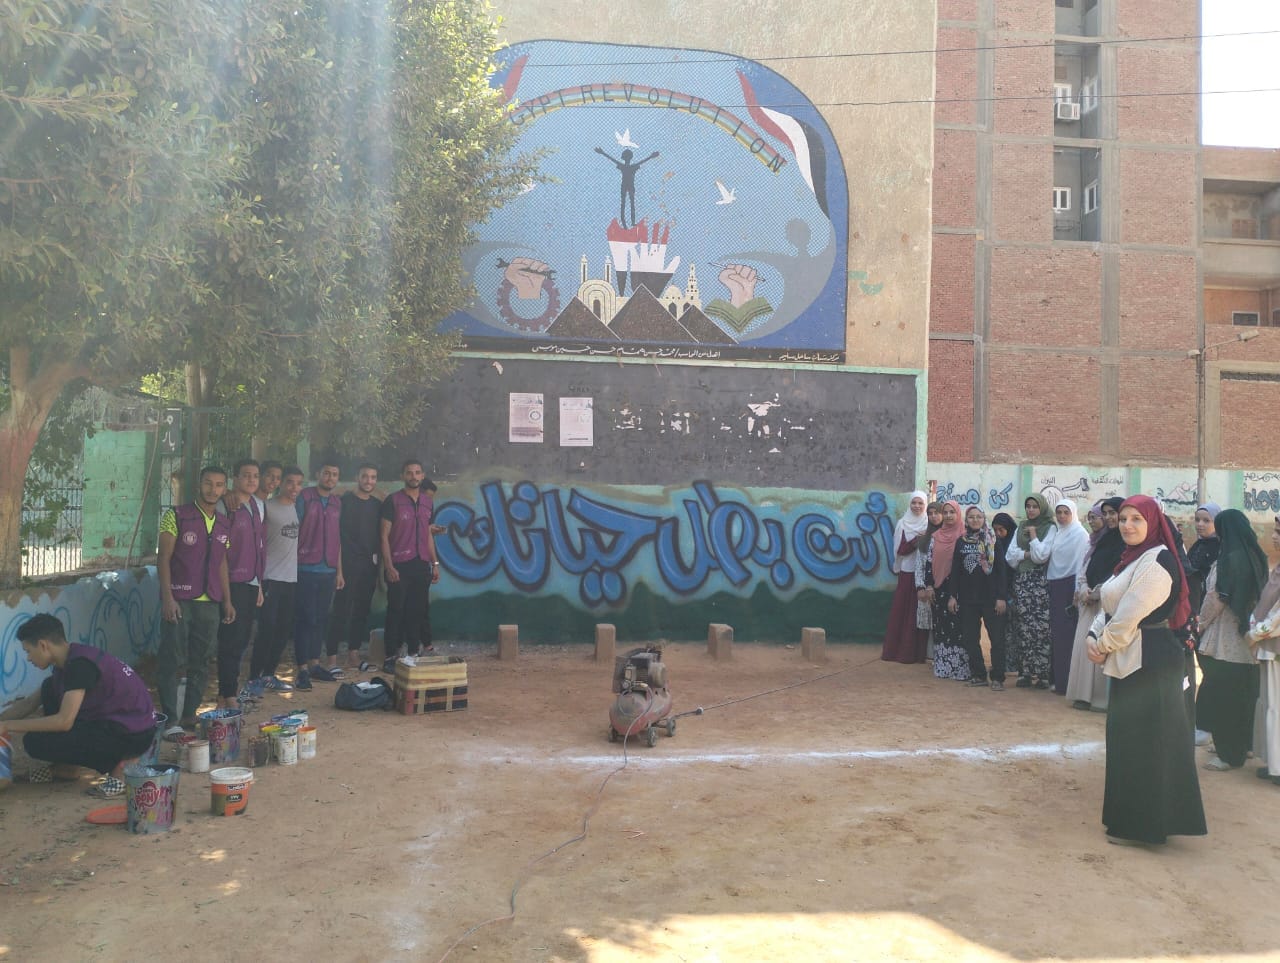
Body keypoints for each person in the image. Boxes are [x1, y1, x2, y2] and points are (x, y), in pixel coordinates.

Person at [1086, 495, 1206, 846]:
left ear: (1153, 522)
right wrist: (1094, 634)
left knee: (1147, 745)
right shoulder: (1131, 558)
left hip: (1151, 663)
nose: (1127, 525)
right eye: (1124, 519)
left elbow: (1128, 615)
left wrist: (1102, 645)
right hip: (1132, 659)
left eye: (1136, 519)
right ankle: (1129, 822)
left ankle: (1145, 827)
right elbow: (1110, 603)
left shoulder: (1158, 561)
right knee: (1128, 742)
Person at [0, 614, 157, 798]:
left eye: (28, 651)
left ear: (43, 645)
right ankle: (66, 768)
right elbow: (28, 704)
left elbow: (64, 722)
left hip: (133, 734)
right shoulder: (67, 662)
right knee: (49, 689)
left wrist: (7, 726)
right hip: (116, 723)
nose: (28, 658)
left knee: (35, 742)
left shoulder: (80, 666)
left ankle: (123, 768)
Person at [157, 465, 234, 728]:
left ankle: (190, 715)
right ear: (199, 485)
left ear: (224, 489)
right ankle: (170, 719)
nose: (213, 490)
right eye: (208, 483)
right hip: (180, 599)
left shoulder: (224, 522)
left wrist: (227, 600)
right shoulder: (176, 516)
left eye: (219, 485)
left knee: (201, 661)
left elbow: (221, 563)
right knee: (172, 659)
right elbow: (163, 558)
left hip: (210, 602)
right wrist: (168, 598)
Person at [1196, 508, 1267, 772]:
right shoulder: (1256, 555)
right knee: (1244, 697)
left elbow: (1216, 598)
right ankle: (1243, 746)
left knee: (1224, 698)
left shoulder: (1228, 559)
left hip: (1225, 640)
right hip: (1248, 638)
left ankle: (1228, 754)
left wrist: (1200, 624)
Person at [380, 460, 441, 672]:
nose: (413, 476)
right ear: (402, 476)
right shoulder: (393, 501)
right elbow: (383, 536)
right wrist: (389, 566)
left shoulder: (427, 502)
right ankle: (390, 656)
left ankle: (413, 654)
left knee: (416, 611)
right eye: (409, 473)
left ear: (422, 476)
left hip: (421, 564)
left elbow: (428, 534)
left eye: (417, 472)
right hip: (399, 565)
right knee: (395, 611)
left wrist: (434, 563)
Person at [214, 459, 265, 709]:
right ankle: (228, 694)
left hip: (252, 582)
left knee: (243, 639)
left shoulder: (258, 506)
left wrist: (260, 586)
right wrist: (226, 597)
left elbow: (258, 547)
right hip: (231, 582)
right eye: (246, 475)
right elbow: (220, 552)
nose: (251, 480)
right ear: (235, 478)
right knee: (230, 641)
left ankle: (226, 695)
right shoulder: (225, 505)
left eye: (255, 475)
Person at [1066, 497, 1124, 711]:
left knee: (1102, 647)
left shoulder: (1127, 544)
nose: (1108, 518)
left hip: (1109, 605)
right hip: (1089, 603)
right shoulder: (1101, 541)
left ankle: (1101, 699)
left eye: (1112, 513)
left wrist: (1098, 593)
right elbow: (1086, 568)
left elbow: (1121, 574)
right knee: (1086, 648)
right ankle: (1084, 696)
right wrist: (1084, 589)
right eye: (1105, 513)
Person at [248, 466, 302, 691]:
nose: (294, 487)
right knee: (267, 630)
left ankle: (269, 674)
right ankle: (253, 678)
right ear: (281, 484)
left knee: (282, 631)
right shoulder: (267, 507)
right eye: (289, 482)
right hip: (270, 577)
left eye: (299, 483)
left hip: (290, 579)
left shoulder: (298, 507)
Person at [326, 462, 383, 676]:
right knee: (340, 611)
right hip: (346, 565)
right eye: (365, 476)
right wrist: (339, 570)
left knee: (361, 611)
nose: (369, 481)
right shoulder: (344, 501)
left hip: (369, 566)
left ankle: (353, 656)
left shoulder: (377, 505)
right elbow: (336, 536)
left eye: (373, 477)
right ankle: (332, 659)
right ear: (357, 478)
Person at [294, 463, 345, 689]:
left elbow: (337, 538)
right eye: (326, 473)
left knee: (321, 618)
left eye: (334, 474)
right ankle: (302, 669)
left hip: (329, 570)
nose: (330, 478)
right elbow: (293, 530)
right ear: (318, 475)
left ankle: (315, 664)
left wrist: (339, 571)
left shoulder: (336, 502)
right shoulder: (305, 497)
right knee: (305, 618)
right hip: (305, 567)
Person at [952, 506, 1009, 690]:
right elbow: (956, 571)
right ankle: (979, 674)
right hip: (968, 599)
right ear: (966, 520)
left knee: (997, 639)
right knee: (970, 638)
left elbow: (1001, 571)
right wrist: (953, 596)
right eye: (971, 517)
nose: (975, 520)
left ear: (984, 519)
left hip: (992, 599)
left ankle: (998, 677)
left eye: (979, 517)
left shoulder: (993, 540)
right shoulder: (961, 542)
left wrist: (1001, 597)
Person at [1039, 499, 1090, 695]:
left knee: (1067, 636)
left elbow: (1080, 564)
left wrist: (1077, 589)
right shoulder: (1058, 533)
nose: (1061, 516)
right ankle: (1057, 679)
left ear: (1073, 513)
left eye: (1065, 512)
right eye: (1058, 512)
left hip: (1070, 587)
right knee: (1056, 635)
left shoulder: (1080, 534)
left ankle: (1067, 683)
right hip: (1055, 585)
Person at [1005, 494, 1053, 689]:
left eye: (1035, 506)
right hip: (1022, 582)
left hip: (1041, 583)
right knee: (1023, 627)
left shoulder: (1050, 527)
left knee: (1041, 629)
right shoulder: (1021, 526)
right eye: (1028, 506)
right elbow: (1010, 556)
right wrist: (1027, 554)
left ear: (1042, 508)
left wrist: (1033, 536)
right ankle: (1025, 672)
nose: (1031, 510)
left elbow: (1041, 556)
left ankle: (1042, 675)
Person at [1248, 515, 1280, 786]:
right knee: (1271, 705)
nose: (1275, 537)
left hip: (1275, 647)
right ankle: (1274, 763)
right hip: (1269, 647)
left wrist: (1255, 633)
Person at [923, 501, 969, 681]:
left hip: (961, 589)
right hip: (939, 589)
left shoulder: (966, 536)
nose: (949, 516)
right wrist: (928, 586)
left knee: (960, 627)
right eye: (946, 512)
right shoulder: (936, 537)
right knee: (941, 627)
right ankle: (943, 667)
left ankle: (960, 668)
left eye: (952, 512)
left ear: (958, 514)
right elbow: (929, 562)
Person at [882, 491, 930, 664]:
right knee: (904, 612)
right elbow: (900, 550)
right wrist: (917, 540)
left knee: (921, 613)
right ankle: (900, 652)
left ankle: (919, 654)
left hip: (925, 574)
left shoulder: (929, 523)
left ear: (925, 505)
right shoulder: (903, 524)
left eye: (920, 503)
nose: (917, 506)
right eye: (914, 503)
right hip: (907, 573)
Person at [913, 501, 944, 660]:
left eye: (936, 513)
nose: (933, 516)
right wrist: (920, 587)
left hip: (946, 586)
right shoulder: (925, 539)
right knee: (930, 622)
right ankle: (932, 656)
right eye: (930, 514)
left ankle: (944, 656)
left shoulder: (953, 536)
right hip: (927, 586)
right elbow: (919, 565)